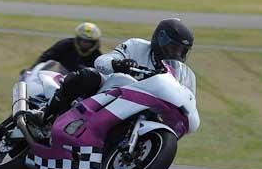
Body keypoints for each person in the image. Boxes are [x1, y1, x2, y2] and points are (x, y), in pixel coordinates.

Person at [32, 18, 194, 126]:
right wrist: (117, 64)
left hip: (137, 106)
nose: (177, 54)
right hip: (110, 90)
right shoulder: (136, 46)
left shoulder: (173, 72)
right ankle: (46, 116)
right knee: (86, 76)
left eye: (182, 51)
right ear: (161, 40)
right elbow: (100, 62)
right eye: (174, 48)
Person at [21, 22, 102, 77]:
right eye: (82, 40)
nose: (85, 43)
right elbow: (46, 56)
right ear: (78, 38)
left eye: (89, 42)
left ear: (94, 42)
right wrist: (32, 69)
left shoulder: (97, 55)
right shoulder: (65, 45)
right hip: (57, 77)